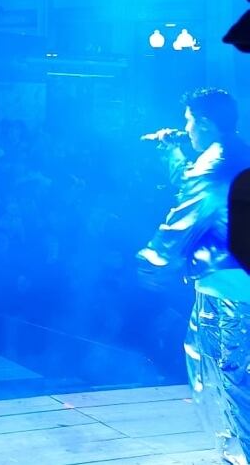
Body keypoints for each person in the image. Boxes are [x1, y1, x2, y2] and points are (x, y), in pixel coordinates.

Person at [138, 88, 250, 463]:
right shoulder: (236, 151)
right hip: (234, 285)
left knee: (234, 384)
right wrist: (174, 150)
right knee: (229, 381)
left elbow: (188, 209)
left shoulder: (214, 162)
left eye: (188, 122)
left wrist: (152, 260)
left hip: (229, 292)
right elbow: (198, 188)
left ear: (203, 122)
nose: (185, 128)